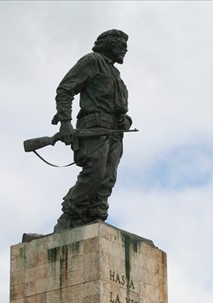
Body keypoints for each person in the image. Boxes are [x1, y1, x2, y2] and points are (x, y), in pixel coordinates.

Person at [52, 29, 132, 232]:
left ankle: (95, 217)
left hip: (114, 132)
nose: (125, 49)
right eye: (121, 44)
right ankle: (69, 217)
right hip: (93, 128)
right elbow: (65, 90)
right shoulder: (92, 61)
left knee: (107, 178)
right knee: (94, 173)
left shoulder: (115, 74)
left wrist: (125, 121)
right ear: (108, 44)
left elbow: (118, 108)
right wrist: (65, 122)